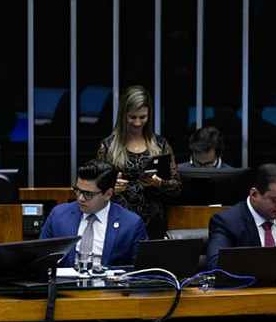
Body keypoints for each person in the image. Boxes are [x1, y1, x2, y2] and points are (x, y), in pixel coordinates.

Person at [96, 85, 182, 239]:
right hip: (118, 223)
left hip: (153, 223)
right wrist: (110, 187)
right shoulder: (108, 146)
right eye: (132, 117)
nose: (137, 122)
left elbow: (177, 187)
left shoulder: (160, 144)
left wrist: (157, 182)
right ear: (123, 115)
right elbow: (95, 188)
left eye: (142, 117)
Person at [39, 159, 148, 267]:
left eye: (88, 194)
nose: (81, 198)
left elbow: (140, 272)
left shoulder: (131, 224)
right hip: (65, 283)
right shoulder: (58, 215)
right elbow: (40, 259)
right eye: (77, 190)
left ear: (108, 194)